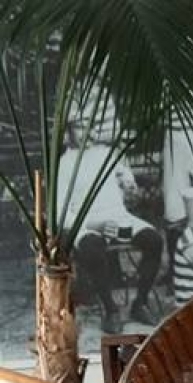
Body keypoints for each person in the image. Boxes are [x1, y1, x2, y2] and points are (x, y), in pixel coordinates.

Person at [60, 114, 164, 332]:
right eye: (80, 127)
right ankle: (111, 309)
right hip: (87, 222)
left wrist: (129, 184)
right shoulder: (65, 163)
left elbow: (125, 176)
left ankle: (140, 302)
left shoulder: (107, 153)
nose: (87, 131)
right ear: (69, 131)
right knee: (92, 247)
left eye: (91, 125)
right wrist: (92, 225)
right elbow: (62, 211)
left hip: (117, 218)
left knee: (153, 240)